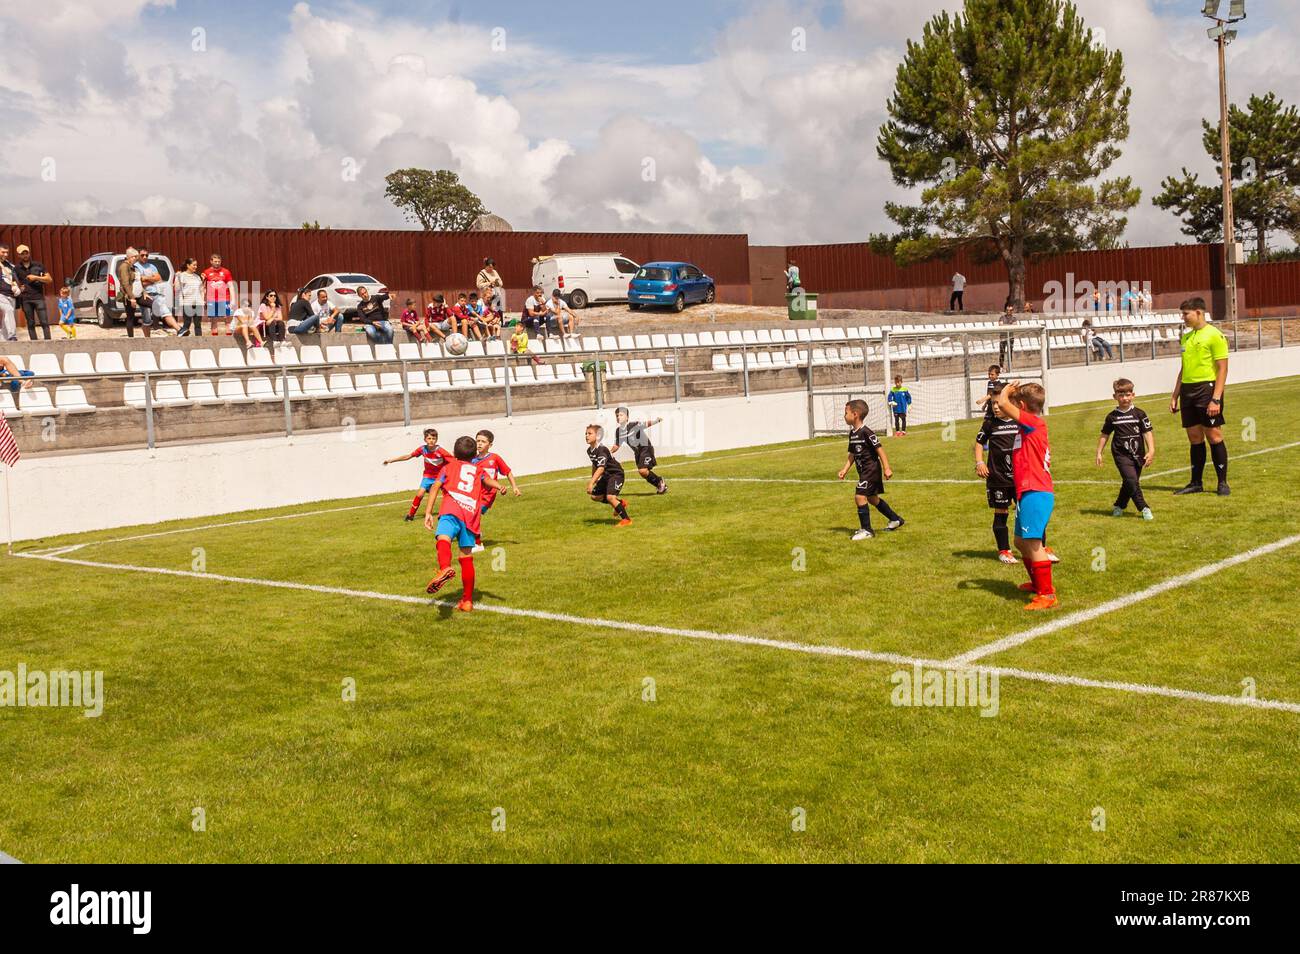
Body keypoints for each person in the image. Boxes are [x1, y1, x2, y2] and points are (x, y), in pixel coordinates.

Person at [993, 381, 1057, 610]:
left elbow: (1001, 403)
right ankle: (1037, 583)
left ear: (1021, 405)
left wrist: (1006, 391)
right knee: (1020, 541)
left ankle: (1047, 595)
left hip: (1036, 491)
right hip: (1028, 492)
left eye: (1015, 404)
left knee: (1033, 543)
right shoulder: (1028, 425)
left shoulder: (1033, 422)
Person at [423, 435, 505, 611]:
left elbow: (436, 487)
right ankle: (467, 601)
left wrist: (428, 512)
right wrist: (498, 486)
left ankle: (444, 568)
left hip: (451, 508)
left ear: (454, 452)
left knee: (443, 538)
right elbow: (487, 481)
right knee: (466, 557)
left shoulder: (447, 467)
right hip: (470, 515)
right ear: (474, 453)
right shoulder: (477, 469)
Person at [1170, 297, 1230, 496]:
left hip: (1207, 390)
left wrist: (1216, 398)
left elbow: (1222, 369)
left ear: (1198, 312)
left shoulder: (1215, 335)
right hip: (1188, 391)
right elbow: (1184, 368)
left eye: (1186, 313)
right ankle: (1196, 482)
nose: (1183, 317)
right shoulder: (1186, 337)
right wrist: (1175, 394)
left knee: (1213, 435)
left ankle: (1222, 483)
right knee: (1194, 437)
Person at [837, 399, 904, 540]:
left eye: (846, 413)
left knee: (859, 496)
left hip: (871, 470)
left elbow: (879, 449)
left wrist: (887, 468)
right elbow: (852, 454)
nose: (844, 416)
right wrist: (845, 469)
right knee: (873, 499)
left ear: (855, 414)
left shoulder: (867, 432)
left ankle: (867, 530)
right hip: (863, 472)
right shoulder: (853, 434)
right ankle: (895, 519)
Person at [1097, 378, 1155, 520]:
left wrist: (1151, 450)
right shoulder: (1112, 417)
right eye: (1121, 395)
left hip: (1138, 454)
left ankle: (1119, 505)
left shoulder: (1140, 414)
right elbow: (1105, 434)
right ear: (1115, 397)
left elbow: (1147, 432)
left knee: (1129, 482)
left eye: (1128, 395)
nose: (1125, 398)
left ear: (1133, 395)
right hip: (1120, 454)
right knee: (1131, 480)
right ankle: (1144, 508)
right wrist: (1099, 452)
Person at [975, 402, 1020, 564]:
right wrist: (980, 462)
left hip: (1020, 477)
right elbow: (979, 442)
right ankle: (1004, 551)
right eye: (993, 404)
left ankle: (1041, 548)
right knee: (1001, 512)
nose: (995, 407)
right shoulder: (989, 424)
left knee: (1029, 512)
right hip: (998, 477)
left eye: (998, 404)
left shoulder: (1019, 420)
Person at [383, 428, 450, 522]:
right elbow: (408, 456)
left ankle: (448, 513)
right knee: (420, 493)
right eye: (429, 438)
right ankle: (410, 515)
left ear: (437, 439)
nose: (431, 440)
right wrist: (391, 460)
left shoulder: (441, 451)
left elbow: (452, 460)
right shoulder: (422, 449)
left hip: (440, 476)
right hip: (428, 476)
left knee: (447, 494)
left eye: (433, 438)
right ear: (425, 439)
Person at [471, 429, 521, 551]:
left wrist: (514, 487)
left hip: (488, 495)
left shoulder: (495, 458)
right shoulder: (472, 459)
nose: (479, 444)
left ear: (490, 445)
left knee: (475, 514)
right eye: (478, 441)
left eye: (483, 441)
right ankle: (474, 533)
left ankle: (478, 544)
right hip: (474, 494)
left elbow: (507, 472)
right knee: (468, 516)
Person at [610, 408, 667, 494]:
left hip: (646, 449)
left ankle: (660, 481)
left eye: (621, 415)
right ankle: (659, 484)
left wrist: (656, 421)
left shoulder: (634, 425)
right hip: (638, 453)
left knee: (642, 470)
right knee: (643, 473)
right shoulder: (618, 431)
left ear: (627, 417)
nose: (618, 417)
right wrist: (609, 451)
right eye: (617, 415)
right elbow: (617, 445)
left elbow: (646, 424)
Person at [586, 424, 631, 526]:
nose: (586, 436)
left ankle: (626, 520)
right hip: (607, 475)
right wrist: (594, 478)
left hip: (616, 474)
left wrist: (591, 483)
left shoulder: (602, 450)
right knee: (595, 496)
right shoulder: (590, 451)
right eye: (586, 434)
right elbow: (595, 464)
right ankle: (620, 503)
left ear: (597, 436)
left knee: (610, 497)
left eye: (589, 433)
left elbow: (601, 468)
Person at [13, 244, 53, 340]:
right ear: (19, 255)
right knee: (30, 324)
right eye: (22, 254)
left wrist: (35, 277)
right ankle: (34, 345)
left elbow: (49, 279)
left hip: (38, 298)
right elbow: (14, 282)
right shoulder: (16, 268)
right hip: (25, 299)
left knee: (44, 322)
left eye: (26, 253)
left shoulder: (38, 265)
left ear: (29, 253)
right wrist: (18, 287)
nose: (25, 255)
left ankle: (49, 344)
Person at [137, 249, 181, 334]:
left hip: (156, 293)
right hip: (144, 295)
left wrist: (145, 278)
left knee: (165, 311)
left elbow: (159, 278)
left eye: (146, 255)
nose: (145, 257)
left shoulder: (151, 266)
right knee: (147, 320)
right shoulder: (136, 267)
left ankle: (179, 329)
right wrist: (152, 279)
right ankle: (147, 338)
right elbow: (139, 282)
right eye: (142, 255)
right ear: (138, 255)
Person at [116, 247, 148, 337]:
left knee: (151, 304)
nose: (136, 259)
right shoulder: (124, 267)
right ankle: (131, 337)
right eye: (135, 257)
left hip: (138, 294)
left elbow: (137, 281)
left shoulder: (132, 266)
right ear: (130, 257)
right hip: (129, 296)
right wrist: (132, 298)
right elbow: (126, 284)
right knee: (130, 317)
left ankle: (148, 322)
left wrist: (144, 292)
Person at [202, 253, 235, 336]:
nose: (217, 263)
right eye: (215, 261)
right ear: (211, 261)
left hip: (225, 298)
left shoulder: (226, 272)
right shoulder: (206, 272)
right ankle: (215, 339)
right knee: (214, 320)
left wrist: (233, 300)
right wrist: (203, 299)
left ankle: (229, 339)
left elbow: (231, 286)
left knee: (227, 319)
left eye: (219, 261)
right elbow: (203, 288)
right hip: (212, 300)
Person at [174, 258, 204, 336]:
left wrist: (203, 300)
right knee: (187, 324)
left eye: (196, 265)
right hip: (187, 303)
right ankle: (182, 340)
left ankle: (200, 342)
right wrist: (177, 278)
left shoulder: (197, 277)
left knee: (198, 325)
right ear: (188, 265)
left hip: (198, 303)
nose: (195, 267)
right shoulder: (182, 275)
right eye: (194, 265)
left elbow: (201, 289)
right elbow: (177, 289)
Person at [0, 244, 20, 341]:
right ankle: (12, 336)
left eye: (7, 252)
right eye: (3, 252)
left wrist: (17, 287)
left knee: (7, 316)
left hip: (11, 294)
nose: (5, 254)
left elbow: (15, 278)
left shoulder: (10, 265)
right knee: (8, 310)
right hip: (1, 294)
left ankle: (3, 340)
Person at [998, 301, 1017, 366]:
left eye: (1010, 310)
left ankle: (1009, 366)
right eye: (1007, 310)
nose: (1009, 311)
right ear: (1005, 310)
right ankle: (1001, 366)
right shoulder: (1002, 317)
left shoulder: (1014, 318)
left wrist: (1005, 325)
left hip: (1010, 338)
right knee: (1002, 353)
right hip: (1003, 338)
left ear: (1012, 311)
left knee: (1010, 352)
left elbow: (1015, 326)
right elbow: (1000, 325)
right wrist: (1010, 325)